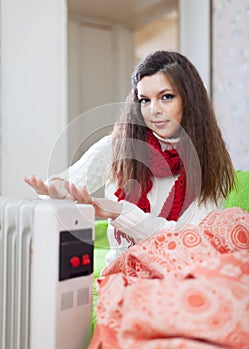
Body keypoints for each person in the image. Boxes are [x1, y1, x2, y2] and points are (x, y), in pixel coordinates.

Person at [24, 50, 235, 264]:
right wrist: (58, 191)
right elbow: (63, 186)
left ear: (189, 100)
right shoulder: (116, 147)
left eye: (166, 97)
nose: (154, 110)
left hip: (180, 270)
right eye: (144, 100)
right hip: (121, 273)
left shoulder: (210, 165)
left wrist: (120, 212)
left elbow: (188, 242)